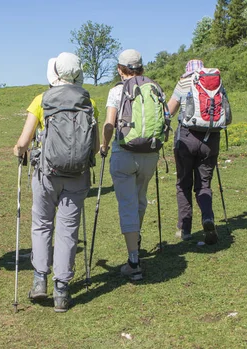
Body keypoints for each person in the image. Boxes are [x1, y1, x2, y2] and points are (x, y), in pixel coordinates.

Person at [13, 52, 99, 312]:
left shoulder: (41, 100)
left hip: (46, 174)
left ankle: (40, 280)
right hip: (77, 176)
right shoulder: (88, 102)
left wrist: (19, 151)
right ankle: (62, 290)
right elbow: (94, 147)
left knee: (41, 224)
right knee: (67, 229)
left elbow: (23, 142)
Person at [100, 49, 163, 281]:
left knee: (127, 204)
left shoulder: (117, 91)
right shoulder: (154, 87)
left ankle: (133, 260)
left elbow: (109, 124)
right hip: (150, 153)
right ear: (141, 67)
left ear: (120, 68)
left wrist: (104, 145)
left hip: (124, 153)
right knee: (140, 199)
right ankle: (135, 238)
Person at [167, 59, 220, 245]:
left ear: (187, 70)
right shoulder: (214, 84)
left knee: (183, 184)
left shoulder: (183, 82)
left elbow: (169, 111)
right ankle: (208, 218)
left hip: (186, 138)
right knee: (204, 184)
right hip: (210, 139)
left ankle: (185, 229)